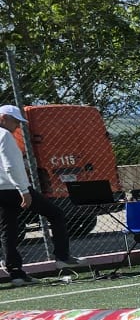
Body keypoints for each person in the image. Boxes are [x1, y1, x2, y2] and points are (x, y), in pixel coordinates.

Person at [0, 105, 83, 287]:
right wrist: (23, 190)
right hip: (14, 189)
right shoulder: (4, 135)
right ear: (4, 118)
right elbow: (10, 166)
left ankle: (17, 274)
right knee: (56, 214)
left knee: (9, 231)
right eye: (15, 121)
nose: (17, 126)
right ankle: (62, 257)